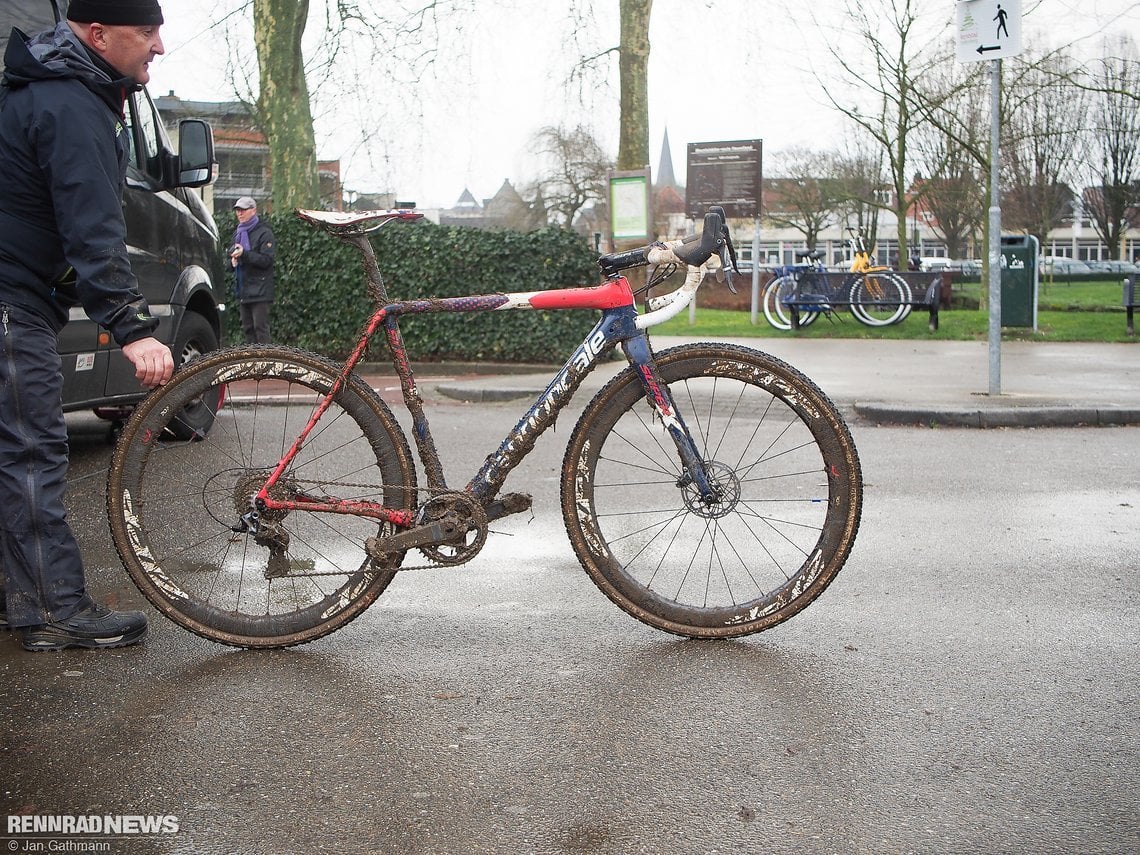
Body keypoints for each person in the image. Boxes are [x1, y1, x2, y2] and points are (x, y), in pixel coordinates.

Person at [0, 0, 174, 651]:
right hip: (10, 300)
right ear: (97, 35)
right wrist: (132, 328)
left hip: (16, 292)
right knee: (30, 453)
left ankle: (24, 593)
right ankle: (53, 608)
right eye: (147, 32)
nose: (158, 46)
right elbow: (92, 229)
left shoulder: (51, 88)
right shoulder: (70, 104)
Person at [228, 196, 276, 344]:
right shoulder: (237, 234)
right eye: (237, 210)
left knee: (260, 328)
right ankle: (253, 363)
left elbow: (267, 261)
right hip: (243, 289)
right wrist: (233, 261)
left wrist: (245, 254)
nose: (239, 213)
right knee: (248, 328)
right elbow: (229, 262)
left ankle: (267, 362)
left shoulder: (264, 233)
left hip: (260, 290)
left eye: (243, 210)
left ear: (253, 210)